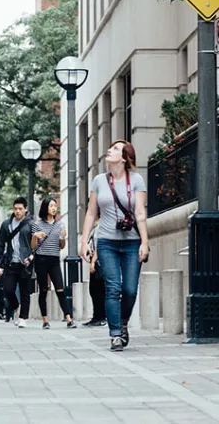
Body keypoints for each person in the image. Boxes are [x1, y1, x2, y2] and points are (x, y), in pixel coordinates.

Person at [80, 140, 149, 352]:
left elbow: (139, 212)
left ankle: (123, 321)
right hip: (107, 241)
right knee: (113, 288)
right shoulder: (99, 181)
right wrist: (84, 241)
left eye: (116, 149)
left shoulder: (136, 180)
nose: (109, 150)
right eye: (110, 147)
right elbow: (92, 212)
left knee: (129, 290)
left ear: (125, 157)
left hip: (131, 242)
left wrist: (145, 242)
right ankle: (115, 335)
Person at [31, 197, 76, 329]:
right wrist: (35, 236)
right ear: (45, 208)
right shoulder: (37, 224)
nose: (54, 208)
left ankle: (69, 319)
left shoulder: (60, 225)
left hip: (54, 260)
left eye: (55, 206)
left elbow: (61, 246)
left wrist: (62, 237)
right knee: (43, 290)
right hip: (41, 260)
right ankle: (45, 320)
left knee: (60, 289)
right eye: (51, 206)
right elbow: (33, 247)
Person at [0, 197, 32, 328]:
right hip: (10, 262)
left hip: (25, 262)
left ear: (25, 209)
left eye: (20, 209)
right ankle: (17, 307)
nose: (17, 211)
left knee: (25, 291)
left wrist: (31, 257)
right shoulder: (6, 224)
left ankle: (23, 318)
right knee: (8, 289)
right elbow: (0, 245)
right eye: (15, 209)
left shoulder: (31, 224)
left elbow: (36, 244)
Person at [82, 217, 106, 327]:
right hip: (96, 259)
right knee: (94, 290)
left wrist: (93, 261)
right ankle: (96, 316)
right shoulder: (96, 224)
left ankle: (101, 317)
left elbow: (100, 244)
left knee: (99, 290)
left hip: (100, 261)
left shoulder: (103, 223)